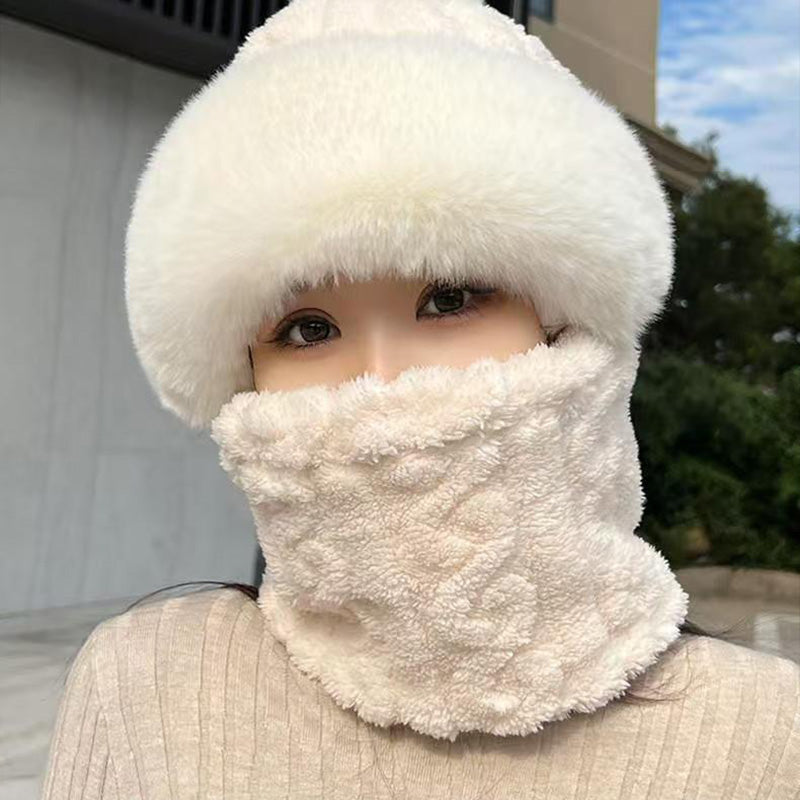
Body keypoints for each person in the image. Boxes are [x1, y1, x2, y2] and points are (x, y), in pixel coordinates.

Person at [40, 0, 799, 797]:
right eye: (307, 329)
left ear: (566, 325)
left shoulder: (765, 731)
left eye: (450, 299)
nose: (381, 379)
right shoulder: (144, 689)